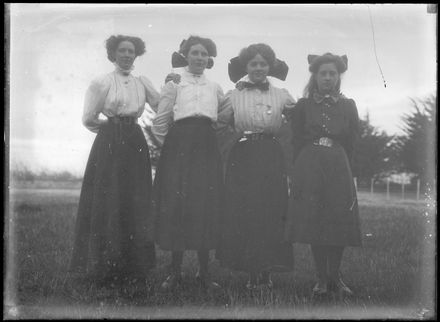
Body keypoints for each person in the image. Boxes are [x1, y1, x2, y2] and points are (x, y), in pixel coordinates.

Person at [69, 35, 160, 285]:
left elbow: (162, 105)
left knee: (135, 199)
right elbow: (88, 117)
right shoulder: (102, 81)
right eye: (122, 50)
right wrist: (110, 130)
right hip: (109, 140)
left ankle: (134, 267)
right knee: (108, 199)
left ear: (136, 54)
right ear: (113, 53)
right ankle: (103, 266)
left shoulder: (142, 82)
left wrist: (173, 85)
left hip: (135, 140)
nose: (127, 55)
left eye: (132, 51)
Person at [215, 43, 295, 290]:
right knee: (246, 210)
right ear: (246, 66)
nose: (258, 68)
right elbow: (219, 124)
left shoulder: (282, 94)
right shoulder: (233, 95)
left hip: (271, 155)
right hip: (244, 155)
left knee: (271, 210)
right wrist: (232, 141)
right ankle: (251, 272)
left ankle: (267, 271)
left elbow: (299, 120)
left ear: (270, 66)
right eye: (253, 64)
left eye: (263, 64)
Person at [285, 53, 361, 297]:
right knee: (316, 219)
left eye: (332, 74)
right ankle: (320, 277)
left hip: (339, 164)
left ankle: (334, 277)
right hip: (310, 164)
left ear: (338, 77)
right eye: (323, 74)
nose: (327, 78)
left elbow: (353, 142)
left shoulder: (348, 105)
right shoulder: (303, 106)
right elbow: (295, 140)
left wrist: (351, 172)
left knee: (337, 218)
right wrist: (294, 172)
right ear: (315, 77)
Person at [152, 35, 224, 291]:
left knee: (204, 204)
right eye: (195, 53)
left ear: (209, 58)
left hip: (206, 145)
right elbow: (160, 120)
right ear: (186, 56)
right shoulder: (174, 83)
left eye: (204, 54)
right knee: (178, 205)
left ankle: (204, 272)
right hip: (179, 145)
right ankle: (175, 272)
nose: (200, 58)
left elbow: (224, 115)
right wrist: (170, 147)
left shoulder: (215, 87)